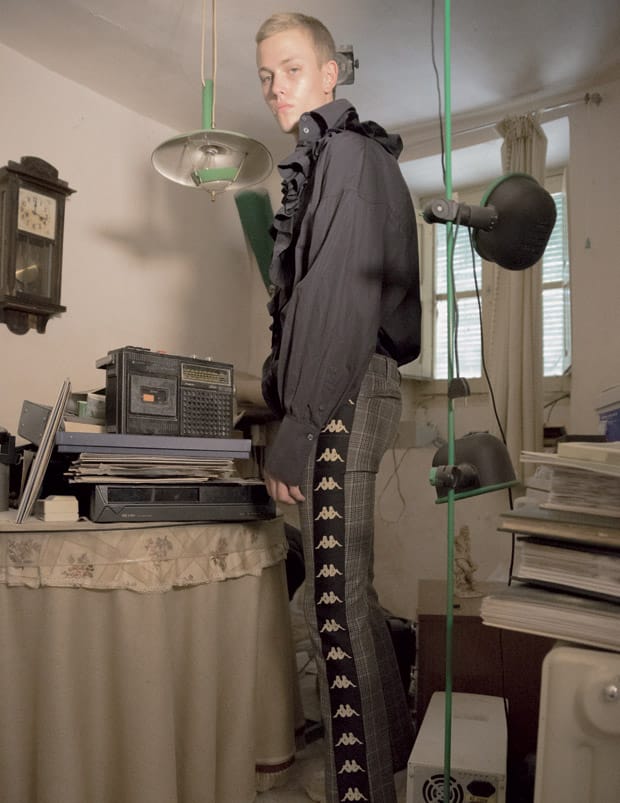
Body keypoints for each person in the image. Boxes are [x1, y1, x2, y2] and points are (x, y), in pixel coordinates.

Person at [255, 13, 421, 803]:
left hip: (344, 385)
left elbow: (335, 299)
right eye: (266, 76)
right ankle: (393, 762)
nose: (276, 88)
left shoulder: (347, 156)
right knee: (352, 598)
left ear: (330, 74)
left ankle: (360, 792)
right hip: (354, 380)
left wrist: (298, 425)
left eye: (291, 69)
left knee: (333, 607)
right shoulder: (344, 156)